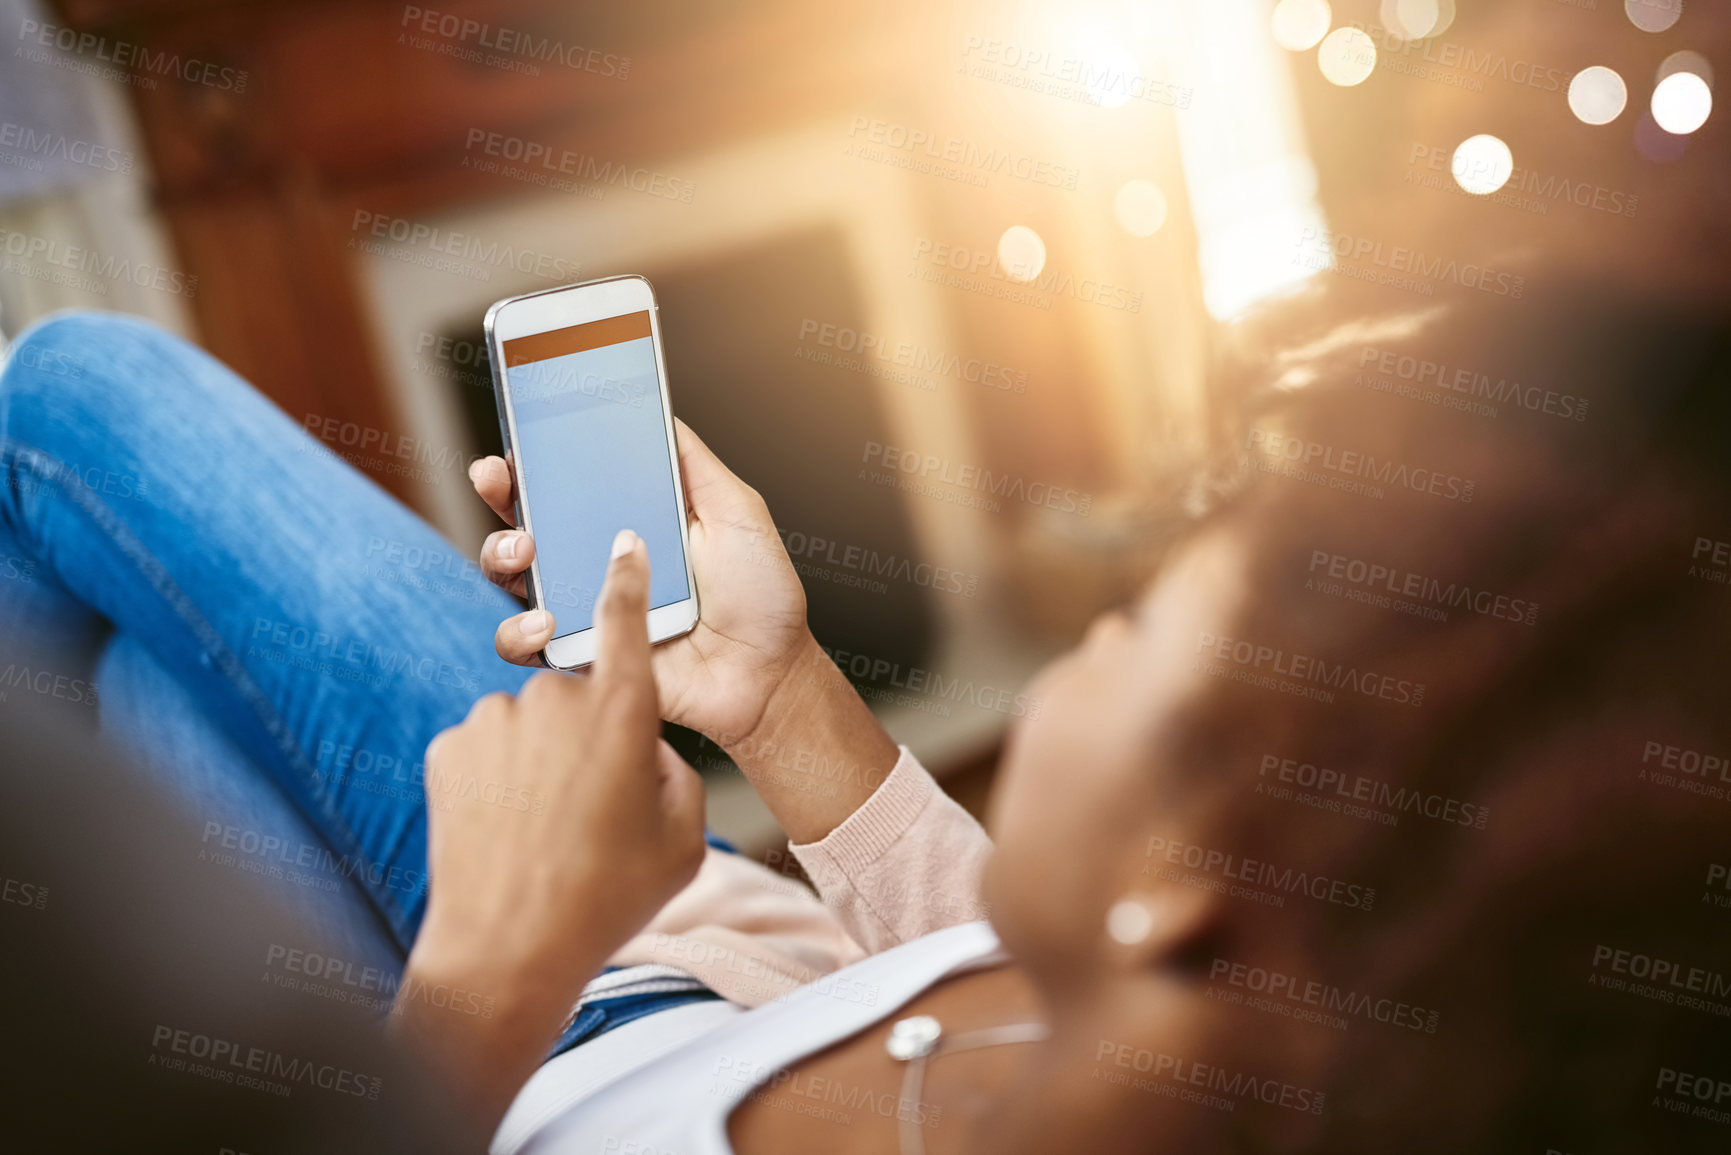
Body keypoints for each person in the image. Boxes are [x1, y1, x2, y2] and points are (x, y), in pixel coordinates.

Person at [5, 257, 1731, 1155]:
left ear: (1194, 879)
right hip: (669, 937)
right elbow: (992, 938)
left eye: (1129, 637)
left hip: (485, 1027)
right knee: (98, 495)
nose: (1090, 641)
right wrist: (782, 695)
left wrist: (491, 967)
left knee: (72, 463)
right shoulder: (1225, 1020)